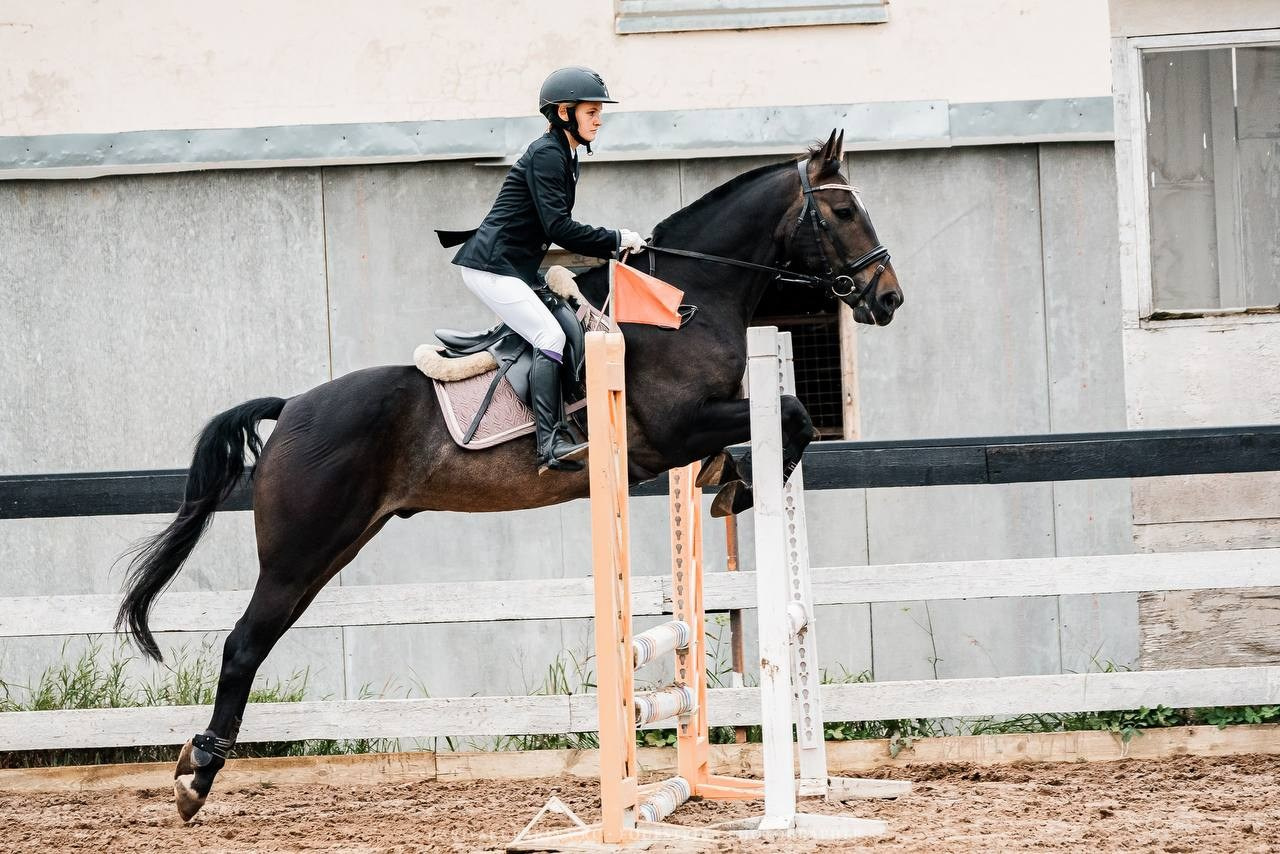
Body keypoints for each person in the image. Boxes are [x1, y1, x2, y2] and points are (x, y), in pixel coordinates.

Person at [446, 66, 645, 474]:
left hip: (515, 267)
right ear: (564, 112)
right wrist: (616, 238)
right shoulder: (548, 155)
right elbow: (560, 229)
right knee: (549, 335)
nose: (599, 119)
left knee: (569, 324)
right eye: (591, 112)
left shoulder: (567, 156)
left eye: (597, 112)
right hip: (492, 267)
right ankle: (549, 443)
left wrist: (615, 243)